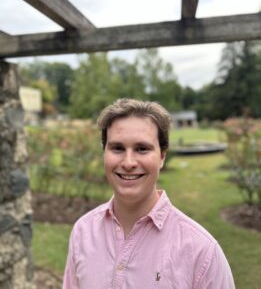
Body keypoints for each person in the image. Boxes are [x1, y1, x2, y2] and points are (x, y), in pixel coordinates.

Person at [63, 98, 235, 288]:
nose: (128, 162)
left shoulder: (202, 253)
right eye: (118, 148)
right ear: (104, 152)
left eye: (142, 149)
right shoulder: (83, 232)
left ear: (162, 156)